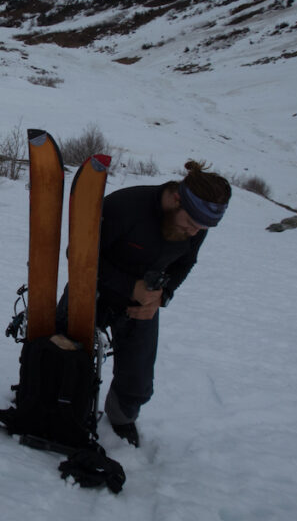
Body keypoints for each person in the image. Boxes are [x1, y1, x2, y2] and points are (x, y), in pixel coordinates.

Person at [61, 160, 231, 447]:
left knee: (137, 378)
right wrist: (130, 286)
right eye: (190, 224)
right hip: (92, 290)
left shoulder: (196, 225)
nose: (194, 233)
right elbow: (77, 254)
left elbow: (185, 264)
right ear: (176, 198)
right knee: (63, 355)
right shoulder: (126, 206)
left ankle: (121, 419)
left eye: (201, 228)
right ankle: (55, 401)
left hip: (142, 303)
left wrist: (162, 296)